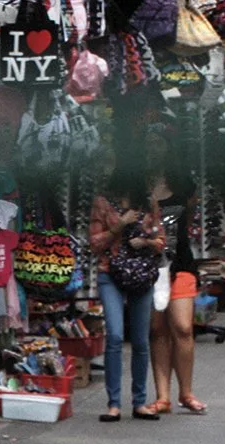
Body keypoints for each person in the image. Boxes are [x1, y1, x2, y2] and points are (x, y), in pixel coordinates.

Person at [90, 170, 165, 422]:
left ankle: (139, 401)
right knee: (115, 335)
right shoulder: (102, 203)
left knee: (141, 341)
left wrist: (145, 243)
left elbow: (161, 241)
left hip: (141, 274)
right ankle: (113, 403)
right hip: (109, 272)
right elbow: (94, 243)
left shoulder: (149, 204)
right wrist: (119, 226)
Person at [143, 135, 206, 416]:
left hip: (180, 263)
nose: (155, 147)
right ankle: (163, 395)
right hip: (148, 266)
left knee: (182, 327)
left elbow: (188, 221)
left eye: (159, 141)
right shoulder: (139, 187)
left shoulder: (183, 185)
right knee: (158, 330)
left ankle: (186, 392)